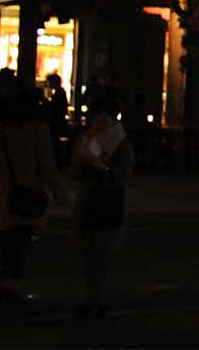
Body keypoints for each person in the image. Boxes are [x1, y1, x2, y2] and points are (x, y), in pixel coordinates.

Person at [0, 75, 63, 304]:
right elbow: (48, 168)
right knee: (19, 248)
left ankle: (0, 282)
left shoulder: (1, 130)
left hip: (5, 198)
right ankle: (9, 289)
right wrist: (64, 197)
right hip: (29, 197)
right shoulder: (38, 130)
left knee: (8, 246)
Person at [67, 85, 133, 318]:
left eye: (100, 114)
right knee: (90, 253)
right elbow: (73, 171)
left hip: (108, 202)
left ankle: (96, 299)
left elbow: (119, 176)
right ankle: (92, 298)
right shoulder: (88, 137)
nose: (96, 120)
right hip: (89, 200)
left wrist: (97, 165)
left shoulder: (120, 141)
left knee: (101, 254)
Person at [45, 72, 71, 168]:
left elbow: (57, 109)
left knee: (55, 145)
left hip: (56, 123)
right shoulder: (59, 92)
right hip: (58, 122)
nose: (49, 84)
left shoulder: (59, 93)